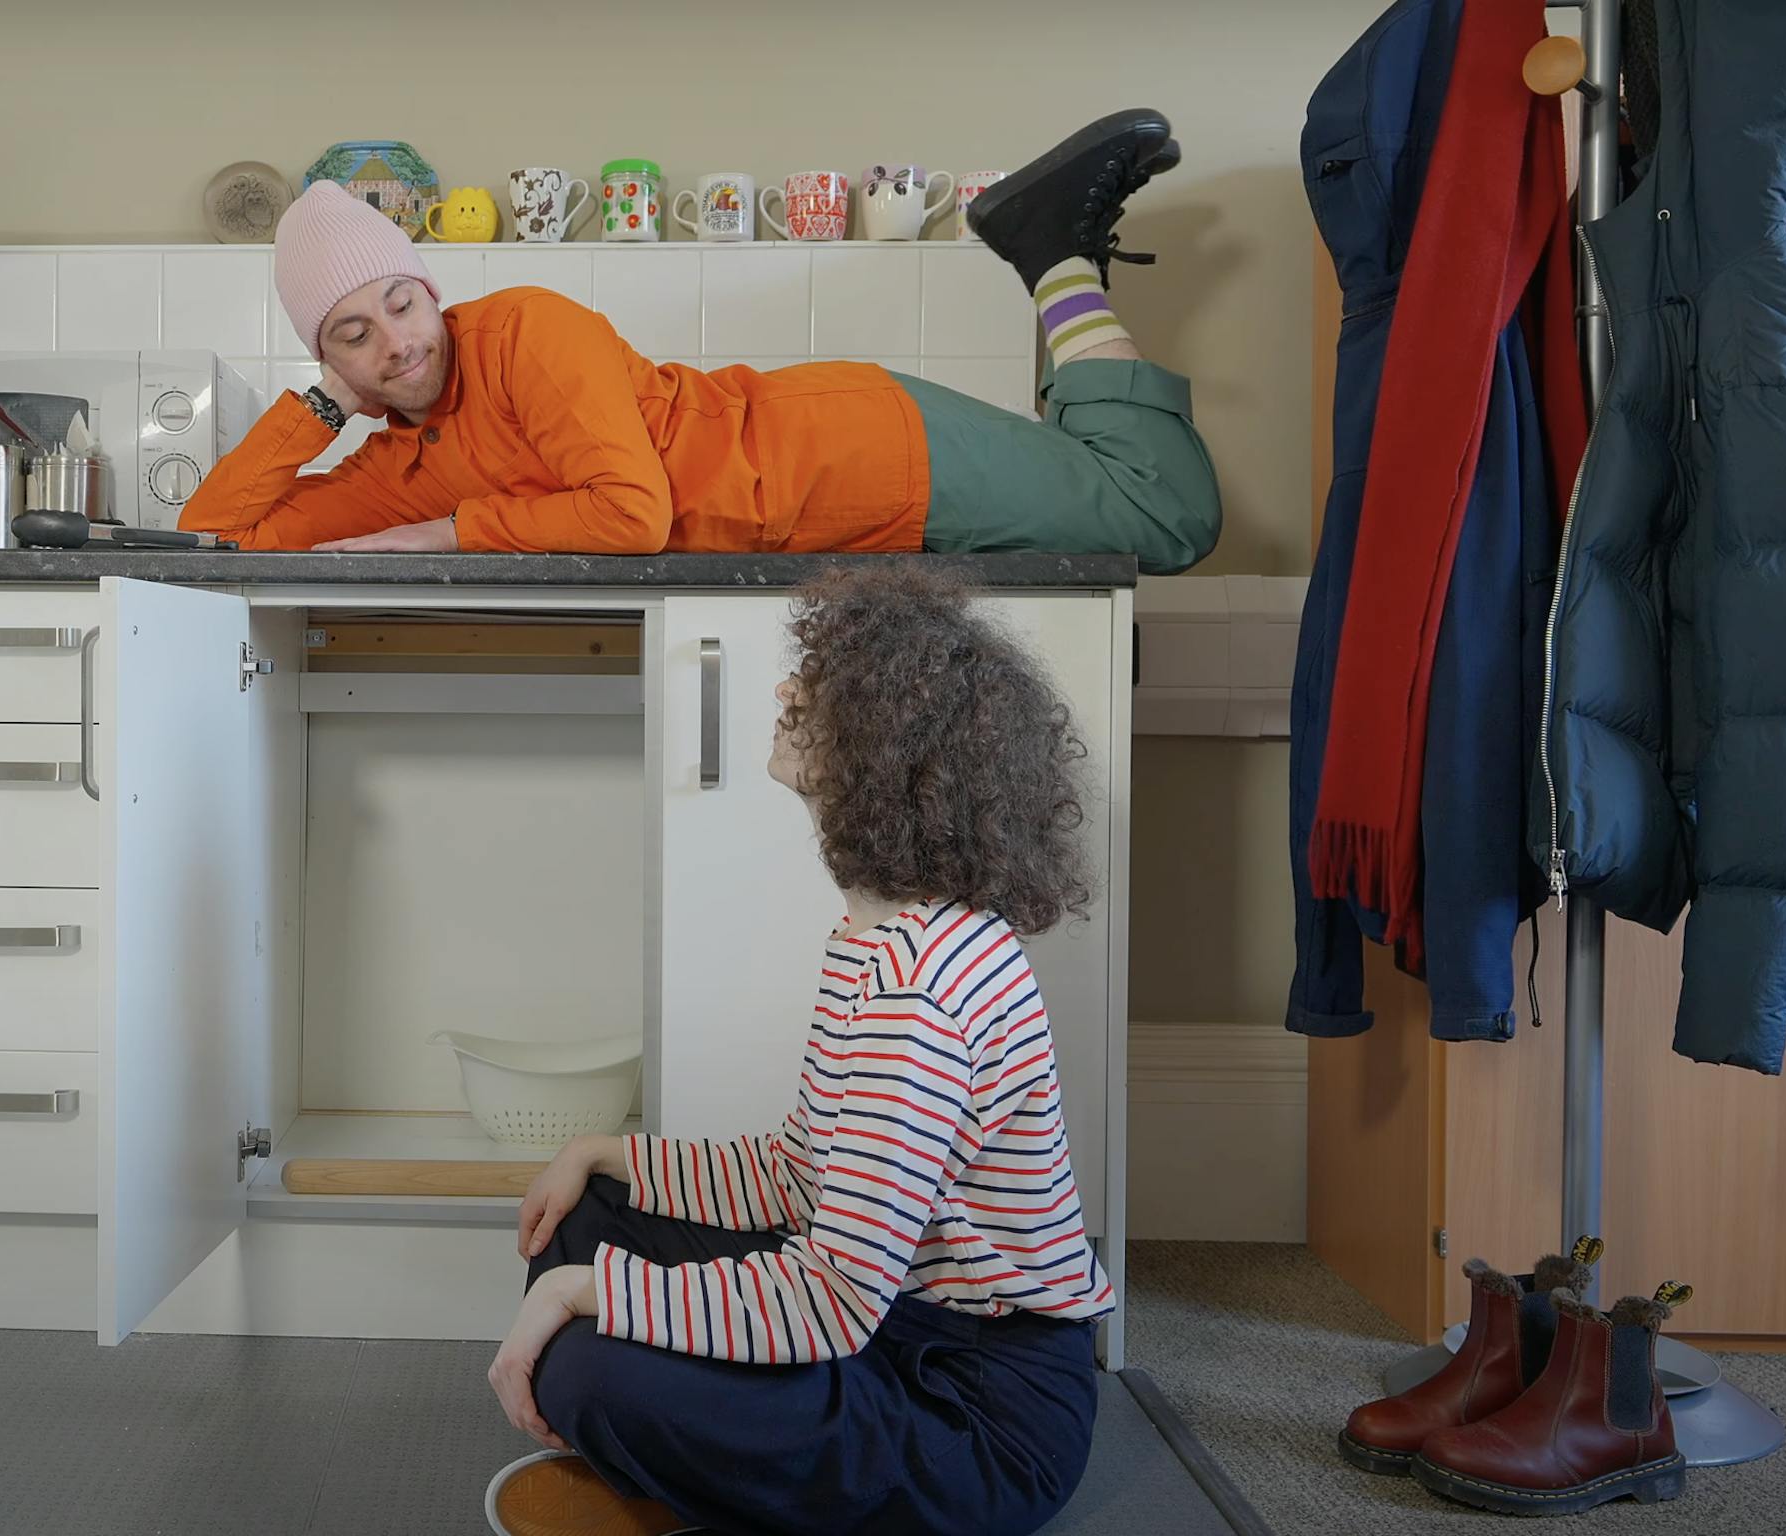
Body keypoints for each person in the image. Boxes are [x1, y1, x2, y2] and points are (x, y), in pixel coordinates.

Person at [479, 566, 1113, 1536]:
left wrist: (585, 1293)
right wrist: (599, 1155)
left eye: (821, 693)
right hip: (896, 1324)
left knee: (588, 1354)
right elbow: (799, 1177)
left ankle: (723, 1474)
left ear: (892, 757)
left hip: (981, 1411)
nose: (784, 694)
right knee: (585, 1213)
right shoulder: (878, 934)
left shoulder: (917, 994)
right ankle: (726, 1468)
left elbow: (832, 1296)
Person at [180, 111, 1221, 572]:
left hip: (864, 451)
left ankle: (1052, 256)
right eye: (352, 336)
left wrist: (444, 535)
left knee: (1163, 518)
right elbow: (216, 538)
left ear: (430, 290)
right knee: (1115, 496)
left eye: (401, 305)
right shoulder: (404, 459)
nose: (395, 346)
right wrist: (316, 413)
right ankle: (1060, 266)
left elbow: (631, 516)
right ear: (336, 361)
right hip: (851, 513)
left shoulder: (525, 332)